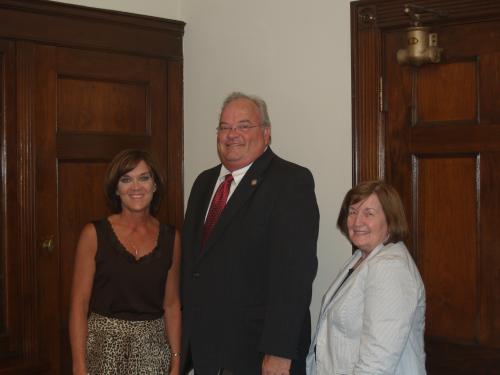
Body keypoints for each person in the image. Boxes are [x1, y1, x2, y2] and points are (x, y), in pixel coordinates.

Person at [181, 92, 319, 375]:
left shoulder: (290, 182)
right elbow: (194, 266)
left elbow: (294, 277)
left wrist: (280, 351)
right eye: (224, 126)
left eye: (244, 126)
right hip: (207, 351)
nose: (232, 135)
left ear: (266, 133)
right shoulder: (203, 183)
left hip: (257, 354)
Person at [69, 149, 181, 375]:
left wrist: (176, 362)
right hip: (102, 355)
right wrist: (79, 366)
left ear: (155, 185)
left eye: (144, 178)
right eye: (126, 179)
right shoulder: (93, 234)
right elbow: (79, 305)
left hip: (153, 357)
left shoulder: (173, 238)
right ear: (116, 189)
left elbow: (171, 305)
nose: (136, 187)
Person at [306, 181, 426, 375]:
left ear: (390, 218)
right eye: (352, 212)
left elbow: (377, 361)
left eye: (368, 213)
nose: (357, 222)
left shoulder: (390, 267)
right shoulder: (360, 258)